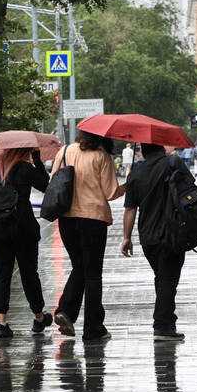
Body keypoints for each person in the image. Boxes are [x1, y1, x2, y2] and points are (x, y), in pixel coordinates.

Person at [51, 130, 125, 341]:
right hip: (93, 219)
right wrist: (128, 185)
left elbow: (53, 183)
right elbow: (110, 193)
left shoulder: (64, 151)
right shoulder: (102, 157)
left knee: (79, 266)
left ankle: (65, 311)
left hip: (66, 218)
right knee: (92, 273)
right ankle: (93, 328)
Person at [120, 143, 190, 340]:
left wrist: (127, 238)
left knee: (162, 277)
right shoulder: (172, 164)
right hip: (173, 232)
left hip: (147, 236)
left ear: (142, 151)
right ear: (162, 149)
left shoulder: (135, 173)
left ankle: (167, 320)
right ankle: (162, 325)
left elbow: (130, 209)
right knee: (167, 279)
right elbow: (189, 192)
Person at [0, 147, 52, 339]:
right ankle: (39, 318)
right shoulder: (24, 168)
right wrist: (38, 162)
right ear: (23, 151)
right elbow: (46, 185)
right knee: (29, 273)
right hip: (23, 228)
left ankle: (1, 322)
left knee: (1, 274)